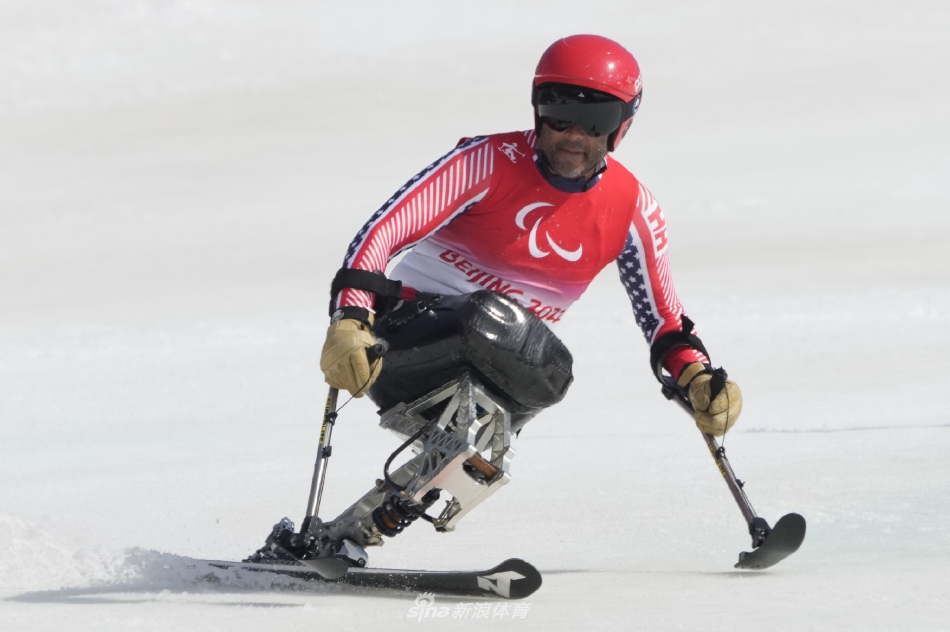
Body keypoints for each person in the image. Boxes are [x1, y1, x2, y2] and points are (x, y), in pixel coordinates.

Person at [264, 34, 743, 566]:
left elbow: (663, 321)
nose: (573, 136)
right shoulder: (486, 161)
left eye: (596, 122)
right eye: (559, 114)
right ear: (538, 111)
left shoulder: (633, 209)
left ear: (623, 125)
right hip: (404, 341)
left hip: (504, 361)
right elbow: (382, 233)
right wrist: (351, 318)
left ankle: (351, 533)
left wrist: (698, 378)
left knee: (553, 372)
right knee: (491, 318)